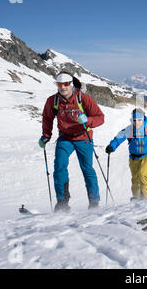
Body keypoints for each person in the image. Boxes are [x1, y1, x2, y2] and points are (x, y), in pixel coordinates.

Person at [39, 71, 105, 212]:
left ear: (71, 84)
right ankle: (62, 202)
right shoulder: (53, 101)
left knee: (87, 169)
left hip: (83, 137)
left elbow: (100, 117)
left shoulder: (83, 99)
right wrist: (46, 135)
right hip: (65, 137)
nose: (63, 87)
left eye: (66, 84)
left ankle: (94, 202)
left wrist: (89, 121)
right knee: (59, 166)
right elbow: (47, 118)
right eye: (59, 84)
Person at [105, 108, 147, 200]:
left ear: (143, 118)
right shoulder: (129, 129)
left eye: (139, 120)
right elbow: (118, 138)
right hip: (133, 157)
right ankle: (137, 198)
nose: (137, 122)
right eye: (134, 120)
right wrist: (112, 146)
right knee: (135, 178)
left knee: (142, 174)